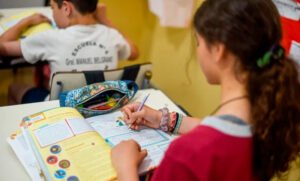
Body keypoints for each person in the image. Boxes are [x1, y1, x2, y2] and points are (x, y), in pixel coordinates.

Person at [111, 0, 300, 180]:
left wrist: (125, 166)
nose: (198, 49)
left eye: (198, 41)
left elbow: (212, 143)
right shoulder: (268, 123)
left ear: (218, 50)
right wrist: (162, 119)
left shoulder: (187, 155)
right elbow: (224, 134)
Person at [0, 0, 139, 104]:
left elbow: (3, 47)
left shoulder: (52, 37)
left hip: (61, 108)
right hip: (103, 104)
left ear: (66, 8)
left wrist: (25, 21)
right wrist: (105, 20)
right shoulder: (111, 35)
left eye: (53, 8)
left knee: (14, 87)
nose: (52, 15)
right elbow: (134, 53)